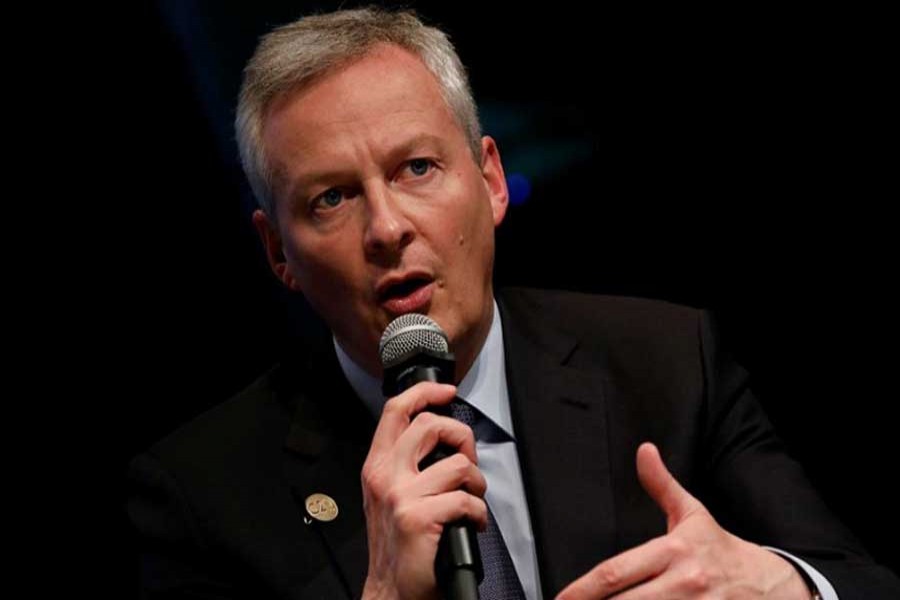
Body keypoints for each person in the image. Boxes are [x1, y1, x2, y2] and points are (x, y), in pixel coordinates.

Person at [127, 7, 900, 599]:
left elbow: (859, 583)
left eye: (418, 168)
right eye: (332, 198)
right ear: (277, 254)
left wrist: (774, 583)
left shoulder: (666, 362)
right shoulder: (198, 497)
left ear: (491, 180)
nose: (388, 228)